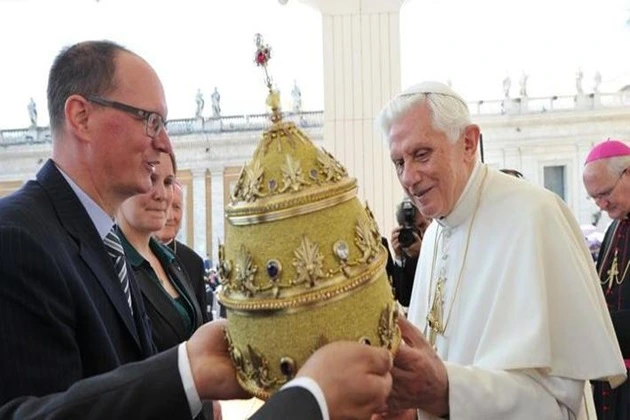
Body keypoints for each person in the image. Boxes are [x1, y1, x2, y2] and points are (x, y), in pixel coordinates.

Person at [0, 39, 392, 420]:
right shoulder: (17, 239)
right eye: (149, 120)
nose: (164, 143)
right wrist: (306, 402)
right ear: (81, 117)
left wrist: (188, 370)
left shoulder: (102, 239)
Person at [375, 81, 625, 419]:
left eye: (421, 154)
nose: (409, 177)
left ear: (468, 142)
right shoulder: (434, 235)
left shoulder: (535, 215)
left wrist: (447, 391)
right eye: (398, 162)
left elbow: (558, 402)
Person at [583, 138, 630, 419]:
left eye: (605, 193)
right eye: (593, 198)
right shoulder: (613, 229)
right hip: (608, 377)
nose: (600, 204)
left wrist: (597, 325)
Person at [155, 178, 211, 321]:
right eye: (165, 206)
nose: (170, 216)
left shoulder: (194, 262)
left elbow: (201, 323)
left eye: (176, 207)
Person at [389, 199, 431, 307]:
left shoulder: (440, 243)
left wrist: (424, 254)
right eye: (412, 229)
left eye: (422, 226)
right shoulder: (406, 246)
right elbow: (404, 299)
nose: (418, 233)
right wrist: (399, 257)